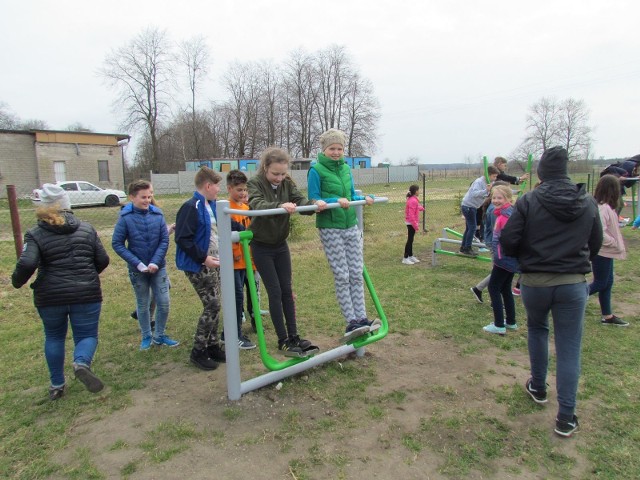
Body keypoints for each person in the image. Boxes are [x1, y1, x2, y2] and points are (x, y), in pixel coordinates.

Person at [501, 146, 603, 438]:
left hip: (535, 282)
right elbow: (595, 243)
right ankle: (566, 416)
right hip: (572, 284)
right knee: (569, 348)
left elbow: (509, 240)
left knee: (537, 330)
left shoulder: (530, 200)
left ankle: (539, 386)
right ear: (567, 171)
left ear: (542, 172)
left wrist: (528, 259)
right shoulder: (588, 202)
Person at [12, 184, 109, 400]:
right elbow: (102, 260)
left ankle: (57, 385)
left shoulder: (35, 234)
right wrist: (88, 275)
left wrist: (16, 281)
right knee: (86, 335)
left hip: (50, 296)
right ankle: (81, 362)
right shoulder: (87, 229)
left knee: (54, 337)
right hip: (86, 294)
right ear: (67, 205)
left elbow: (27, 263)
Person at [248, 146, 326, 356]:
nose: (279, 178)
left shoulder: (287, 182)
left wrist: (313, 204)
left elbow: (299, 200)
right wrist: (281, 205)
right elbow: (256, 204)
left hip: (280, 245)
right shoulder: (254, 183)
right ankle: (282, 339)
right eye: (275, 173)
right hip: (261, 246)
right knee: (274, 292)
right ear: (265, 168)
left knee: (287, 291)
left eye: (283, 173)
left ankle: (294, 336)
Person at [308, 128, 377, 341]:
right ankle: (351, 321)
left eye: (339, 148)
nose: (336, 152)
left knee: (357, 271)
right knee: (342, 274)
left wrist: (365, 197)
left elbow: (351, 194)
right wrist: (334, 201)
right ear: (324, 149)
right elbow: (314, 198)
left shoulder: (346, 169)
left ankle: (362, 317)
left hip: (350, 224)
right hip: (330, 226)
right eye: (332, 148)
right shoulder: (316, 170)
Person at [112, 180, 178, 351]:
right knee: (143, 303)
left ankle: (160, 335)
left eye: (150, 196)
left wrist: (156, 262)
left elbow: (164, 240)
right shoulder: (125, 218)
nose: (147, 200)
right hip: (138, 270)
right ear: (132, 197)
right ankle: (146, 335)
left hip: (158, 267)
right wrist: (138, 264)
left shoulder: (158, 214)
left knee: (164, 302)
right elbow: (117, 243)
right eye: (143, 197)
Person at [175, 167, 228, 370]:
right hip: (198, 264)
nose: (218, 190)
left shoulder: (212, 205)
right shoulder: (191, 207)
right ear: (208, 185)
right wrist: (203, 258)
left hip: (214, 262)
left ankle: (213, 345)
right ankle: (198, 351)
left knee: (215, 304)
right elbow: (182, 238)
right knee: (212, 304)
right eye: (217, 186)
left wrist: (248, 228)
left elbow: (225, 224)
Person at [588, 174, 628, 326]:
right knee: (600, 282)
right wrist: (613, 243)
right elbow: (599, 232)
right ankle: (571, 298)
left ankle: (607, 315)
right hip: (602, 252)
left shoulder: (606, 207)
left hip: (607, 252)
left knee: (607, 282)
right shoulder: (603, 208)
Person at [226, 169, 257, 349]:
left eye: (245, 190)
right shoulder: (227, 209)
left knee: (252, 295)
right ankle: (233, 334)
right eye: (239, 190)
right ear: (230, 188)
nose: (243, 193)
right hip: (235, 263)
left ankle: (248, 323)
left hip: (249, 260)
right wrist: (235, 252)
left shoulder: (246, 208)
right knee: (237, 299)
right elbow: (229, 234)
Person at [482, 185, 519, 334]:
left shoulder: (505, 217)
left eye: (500, 198)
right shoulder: (509, 213)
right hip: (510, 259)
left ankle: (498, 324)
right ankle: (511, 321)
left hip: (504, 259)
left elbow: (507, 240)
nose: (496, 200)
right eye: (494, 197)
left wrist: (499, 257)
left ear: (509, 199)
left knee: (493, 287)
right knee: (505, 288)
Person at [470, 180, 510, 303]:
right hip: (495, 245)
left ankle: (479, 289)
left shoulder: (498, 207)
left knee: (499, 271)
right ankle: (494, 299)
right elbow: (496, 231)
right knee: (499, 272)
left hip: (497, 244)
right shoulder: (494, 210)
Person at [460, 166, 499, 256]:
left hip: (473, 207)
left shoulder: (491, 183)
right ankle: (467, 248)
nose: (495, 179)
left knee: (469, 228)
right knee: (472, 227)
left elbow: (499, 189)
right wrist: (486, 190)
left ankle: (463, 247)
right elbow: (474, 193)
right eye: (494, 176)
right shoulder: (479, 182)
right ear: (488, 175)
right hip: (468, 206)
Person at [402, 184, 424, 265]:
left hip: (411, 223)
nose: (419, 191)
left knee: (411, 240)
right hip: (411, 223)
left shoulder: (413, 199)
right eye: (418, 190)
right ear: (415, 191)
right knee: (410, 240)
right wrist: (415, 225)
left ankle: (410, 256)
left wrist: (422, 208)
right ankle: (405, 258)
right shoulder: (413, 200)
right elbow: (411, 215)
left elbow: (416, 207)